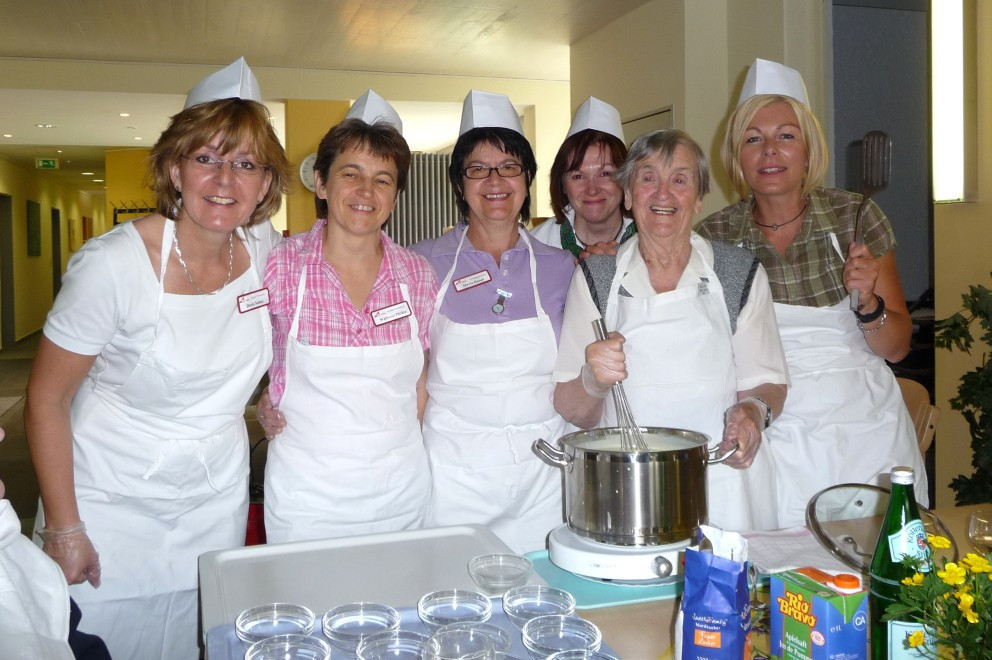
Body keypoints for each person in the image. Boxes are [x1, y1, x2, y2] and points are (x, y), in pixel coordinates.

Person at [24, 58, 291, 659]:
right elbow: (46, 399)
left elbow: (280, 341)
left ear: (266, 184)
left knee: (191, 637)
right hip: (108, 502)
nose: (226, 179)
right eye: (207, 158)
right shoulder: (112, 265)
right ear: (175, 168)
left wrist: (274, 389)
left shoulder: (268, 252)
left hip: (213, 499)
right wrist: (65, 529)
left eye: (246, 163)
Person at [696, 58, 928, 528]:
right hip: (768, 416)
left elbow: (898, 345)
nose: (770, 152)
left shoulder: (856, 216)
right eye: (753, 138)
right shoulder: (714, 236)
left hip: (862, 422)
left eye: (786, 136)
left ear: (808, 148)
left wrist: (868, 305)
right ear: (736, 155)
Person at [552, 129, 789, 532]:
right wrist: (592, 380)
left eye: (680, 180)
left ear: (698, 199)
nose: (663, 194)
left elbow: (768, 383)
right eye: (647, 178)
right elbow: (572, 408)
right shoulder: (596, 278)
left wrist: (751, 413)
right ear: (628, 196)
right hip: (629, 487)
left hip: (723, 479)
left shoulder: (737, 273)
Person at [261, 91, 437, 543]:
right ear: (321, 183)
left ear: (395, 197)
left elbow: (420, 385)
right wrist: (264, 399)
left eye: (383, 180)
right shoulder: (281, 266)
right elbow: (245, 353)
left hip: (400, 497)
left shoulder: (417, 275)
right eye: (350, 174)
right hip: (306, 503)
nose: (365, 192)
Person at [410, 90, 576, 554]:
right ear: (459, 183)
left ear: (527, 178)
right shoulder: (422, 263)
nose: (494, 180)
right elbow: (410, 373)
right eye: (477, 169)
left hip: (543, 477)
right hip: (453, 477)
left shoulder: (562, 267)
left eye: (508, 167)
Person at [530, 97, 635, 258]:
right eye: (578, 176)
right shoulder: (534, 246)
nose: (592, 189)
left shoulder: (650, 239)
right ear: (563, 185)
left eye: (605, 173)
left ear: (625, 178)